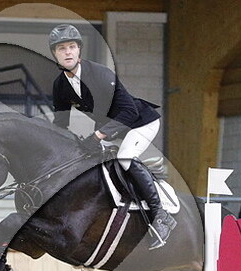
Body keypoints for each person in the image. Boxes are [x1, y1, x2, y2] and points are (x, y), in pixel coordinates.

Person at [49, 24, 174, 249]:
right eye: (61, 48)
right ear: (54, 54)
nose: (67, 52)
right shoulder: (60, 85)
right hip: (111, 129)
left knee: (125, 158)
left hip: (139, 122)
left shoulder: (99, 73)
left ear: (79, 50)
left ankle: (161, 216)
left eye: (71, 47)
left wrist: (97, 135)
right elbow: (60, 123)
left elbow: (129, 112)